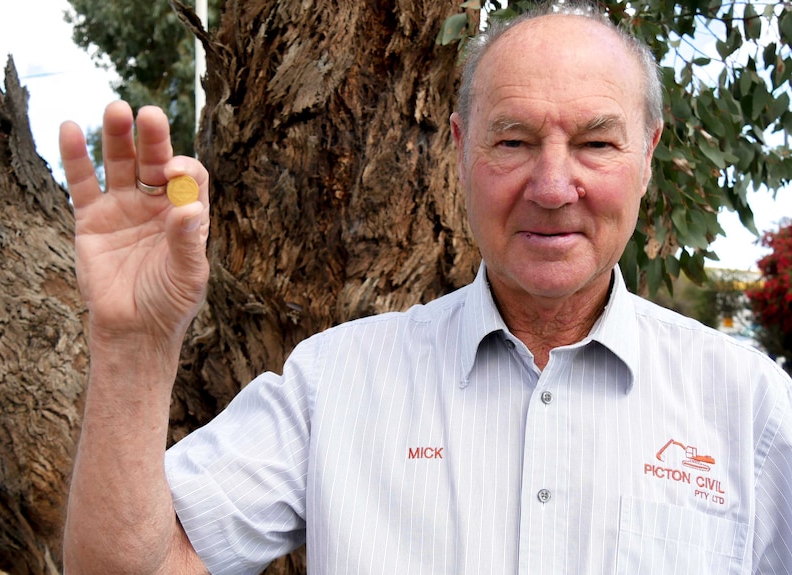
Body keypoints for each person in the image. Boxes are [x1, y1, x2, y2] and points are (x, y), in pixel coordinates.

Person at [60, 3, 792, 574]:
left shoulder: (750, 407)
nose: (552, 185)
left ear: (647, 156)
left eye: (597, 142)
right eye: (512, 141)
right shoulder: (334, 385)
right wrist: (133, 344)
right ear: (459, 149)